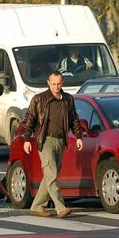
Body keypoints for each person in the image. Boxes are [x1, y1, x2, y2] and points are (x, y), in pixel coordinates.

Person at [23, 70, 83, 218]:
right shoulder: (39, 99)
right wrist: (26, 139)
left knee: (50, 175)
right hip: (45, 141)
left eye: (59, 84)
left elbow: (74, 118)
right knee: (52, 174)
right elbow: (29, 119)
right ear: (48, 83)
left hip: (61, 141)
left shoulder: (68, 99)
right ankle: (60, 207)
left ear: (62, 84)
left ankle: (37, 206)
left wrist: (78, 136)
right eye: (53, 84)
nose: (56, 87)